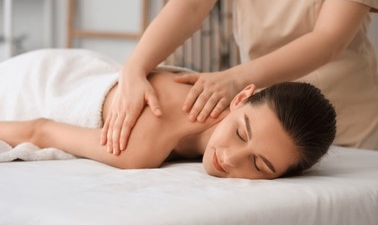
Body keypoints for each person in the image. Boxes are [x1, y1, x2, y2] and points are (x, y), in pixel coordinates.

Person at [103, 0, 378, 156]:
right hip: (270, 127)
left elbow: (330, 39)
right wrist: (135, 67)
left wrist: (235, 78)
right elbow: (190, 1)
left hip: (347, 118)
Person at [0, 49, 336, 179]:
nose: (232, 158)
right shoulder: (141, 145)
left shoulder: (212, 98)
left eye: (260, 165)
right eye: (240, 133)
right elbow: (39, 130)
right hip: (36, 83)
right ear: (241, 97)